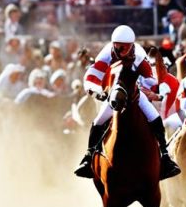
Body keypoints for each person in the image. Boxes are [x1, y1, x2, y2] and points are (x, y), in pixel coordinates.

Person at [73, 25, 180, 179]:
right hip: (113, 94)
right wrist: (99, 93)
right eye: (118, 46)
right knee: (98, 121)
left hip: (134, 92)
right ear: (112, 44)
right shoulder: (105, 55)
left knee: (155, 118)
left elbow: (150, 79)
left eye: (126, 47)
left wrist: (150, 90)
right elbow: (90, 78)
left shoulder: (138, 54)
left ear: (132, 45)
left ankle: (165, 158)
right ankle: (88, 157)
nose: (122, 50)